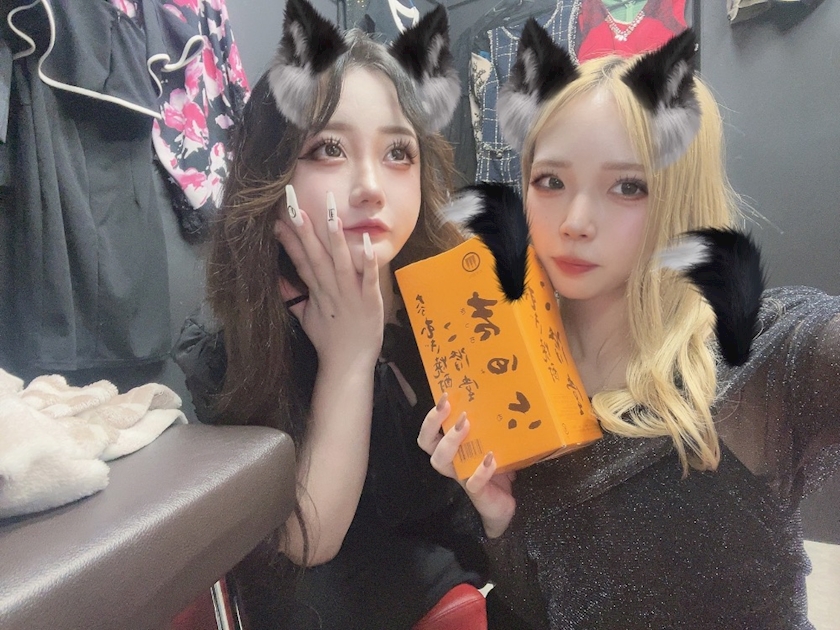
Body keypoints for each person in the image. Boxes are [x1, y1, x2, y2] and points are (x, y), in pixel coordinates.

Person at [418, 22, 840, 629]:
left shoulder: (757, 350)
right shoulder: (512, 367)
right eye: (551, 181)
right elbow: (549, 606)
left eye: (627, 187)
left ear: (678, 195)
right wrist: (499, 518)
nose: (575, 220)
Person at [173, 0, 490, 627]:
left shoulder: (453, 302)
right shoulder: (235, 346)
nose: (370, 185)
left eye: (398, 153)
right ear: (272, 172)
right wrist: (348, 359)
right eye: (328, 149)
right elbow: (307, 545)